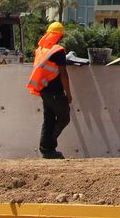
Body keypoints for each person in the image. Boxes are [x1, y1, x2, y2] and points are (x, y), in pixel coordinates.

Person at [26, 21, 72, 158]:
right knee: (64, 117)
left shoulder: (42, 49)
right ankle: (48, 146)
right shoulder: (57, 50)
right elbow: (63, 74)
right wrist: (68, 93)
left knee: (49, 119)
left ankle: (46, 149)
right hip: (55, 91)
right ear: (60, 36)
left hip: (44, 89)